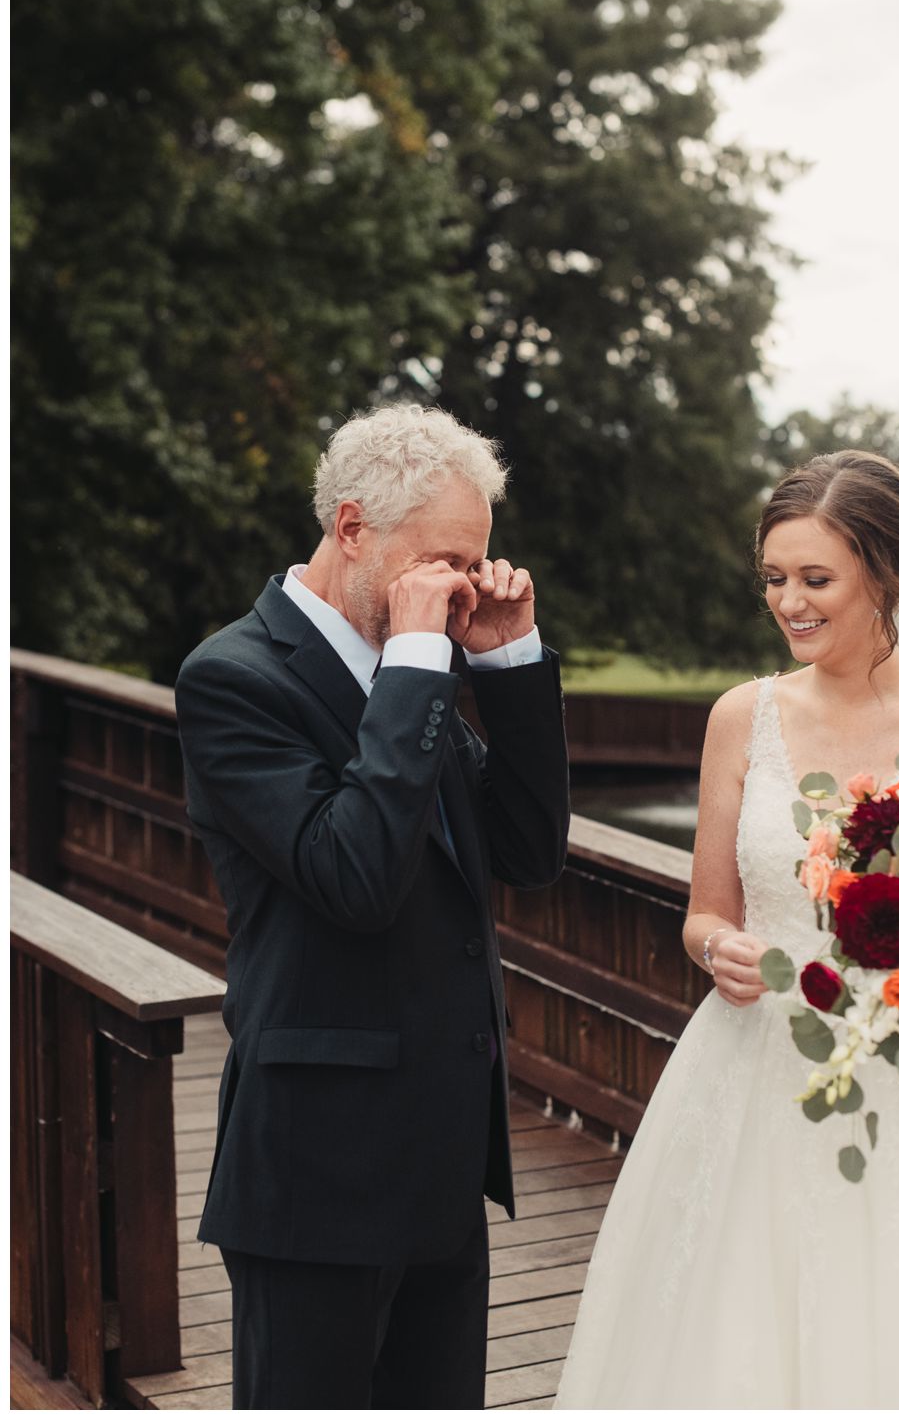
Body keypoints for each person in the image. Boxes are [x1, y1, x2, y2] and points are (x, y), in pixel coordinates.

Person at [554, 450, 899, 1408]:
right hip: (752, 1062)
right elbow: (704, 914)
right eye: (775, 580)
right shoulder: (740, 717)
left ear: (888, 576)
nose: (790, 603)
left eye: (817, 580)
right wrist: (717, 948)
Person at [175, 403, 571, 1408]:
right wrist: (418, 661)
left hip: (444, 1162)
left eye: (476, 560)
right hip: (315, 1174)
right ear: (353, 529)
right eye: (443, 557)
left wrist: (506, 661)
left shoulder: (425, 663)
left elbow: (527, 850)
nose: (466, 583)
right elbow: (352, 875)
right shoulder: (233, 678)